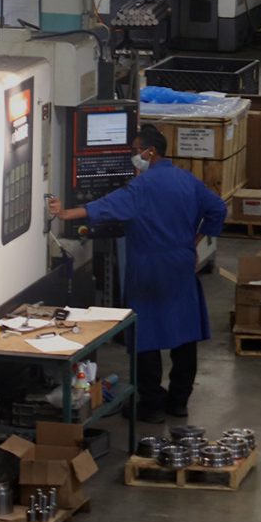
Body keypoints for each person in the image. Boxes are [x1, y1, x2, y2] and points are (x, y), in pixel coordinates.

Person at [47, 127, 225, 422]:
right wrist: (194, 242)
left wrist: (65, 213)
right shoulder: (187, 181)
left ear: (150, 152)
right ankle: (179, 402)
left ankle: (152, 405)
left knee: (147, 338)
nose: (133, 156)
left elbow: (104, 207)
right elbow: (217, 209)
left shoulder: (141, 188)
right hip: (181, 264)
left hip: (148, 268)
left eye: (135, 150)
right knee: (184, 337)